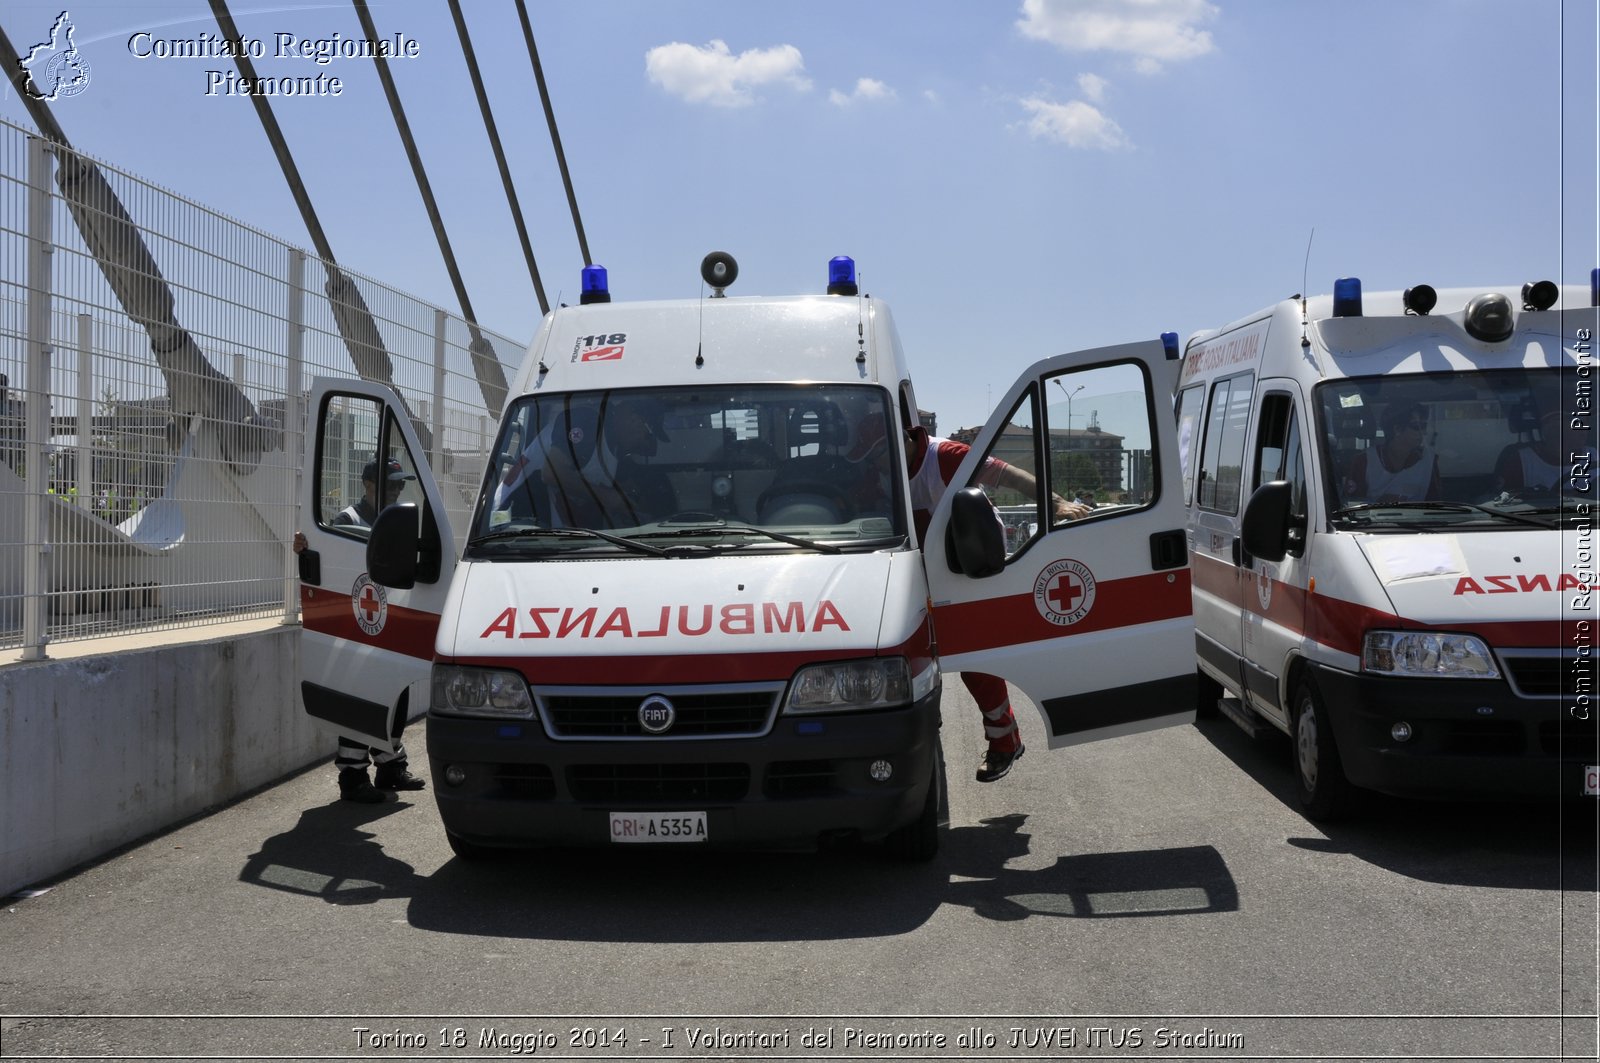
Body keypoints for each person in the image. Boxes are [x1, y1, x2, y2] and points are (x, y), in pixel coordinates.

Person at [903, 423, 1090, 782]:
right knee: (913, 655)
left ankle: (1004, 741)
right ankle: (923, 727)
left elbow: (1008, 475)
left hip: (970, 562)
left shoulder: (944, 456)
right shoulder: (876, 465)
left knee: (974, 656)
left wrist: (1056, 503)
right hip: (914, 569)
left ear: (903, 434)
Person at [292, 455, 426, 804]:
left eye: (400, 485)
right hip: (359, 628)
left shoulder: (395, 522)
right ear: (368, 485)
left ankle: (391, 766)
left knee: (396, 697)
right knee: (361, 700)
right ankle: (352, 776)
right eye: (390, 485)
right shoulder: (347, 521)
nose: (397, 492)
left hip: (387, 624)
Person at [499, 397, 674, 528]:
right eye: (648, 435)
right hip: (514, 517)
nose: (646, 445)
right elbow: (551, 473)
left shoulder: (613, 452)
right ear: (634, 419)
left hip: (544, 526)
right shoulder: (587, 421)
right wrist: (607, 497)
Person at [1343, 402, 1440, 503]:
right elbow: (1351, 504)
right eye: (1416, 426)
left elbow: (1436, 505)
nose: (1423, 432)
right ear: (1397, 429)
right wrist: (1379, 504)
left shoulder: (1429, 461)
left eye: (1424, 426)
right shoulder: (1363, 461)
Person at [1494, 407, 1592, 495]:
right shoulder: (1520, 462)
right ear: (1555, 429)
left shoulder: (1595, 455)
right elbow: (1503, 503)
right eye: (1577, 424)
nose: (1584, 430)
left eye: (1585, 423)